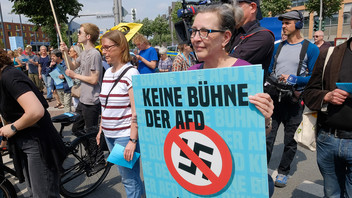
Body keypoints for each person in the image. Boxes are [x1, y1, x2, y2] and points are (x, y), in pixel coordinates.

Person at [188, 3, 274, 196]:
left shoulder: (243, 73)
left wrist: (266, 119)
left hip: (236, 177)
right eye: (193, 31)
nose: (195, 39)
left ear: (226, 37)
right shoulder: (190, 74)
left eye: (204, 32)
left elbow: (260, 134)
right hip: (199, 172)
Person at [0, 49, 66, 197]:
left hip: (37, 142)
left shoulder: (10, 76)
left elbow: (36, 110)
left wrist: (13, 127)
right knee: (34, 192)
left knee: (43, 194)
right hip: (23, 141)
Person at [266, 10, 320, 188]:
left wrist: (295, 79)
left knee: (290, 140)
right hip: (275, 99)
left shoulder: (310, 48)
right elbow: (269, 71)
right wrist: (273, 79)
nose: (283, 25)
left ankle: (283, 171)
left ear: (298, 25)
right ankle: (261, 169)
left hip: (294, 101)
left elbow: (314, 77)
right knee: (267, 137)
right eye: (283, 23)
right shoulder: (277, 47)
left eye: (287, 22)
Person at [302, 7, 352, 197]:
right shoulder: (330, 53)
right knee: (331, 193)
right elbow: (309, 93)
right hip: (328, 140)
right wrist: (327, 96)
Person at [97, 30, 144, 198]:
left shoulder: (131, 73)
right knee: (128, 176)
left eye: (107, 48)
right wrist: (101, 128)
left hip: (124, 136)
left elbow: (136, 110)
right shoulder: (108, 72)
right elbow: (105, 104)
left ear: (121, 47)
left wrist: (132, 140)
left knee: (129, 179)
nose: (104, 52)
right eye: (103, 48)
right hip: (110, 134)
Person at [60, 23, 103, 133]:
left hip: (91, 101)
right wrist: (65, 52)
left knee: (91, 133)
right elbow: (72, 66)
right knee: (76, 129)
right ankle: (90, 148)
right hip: (83, 99)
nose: (78, 34)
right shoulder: (84, 53)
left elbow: (94, 79)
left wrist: (74, 75)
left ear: (88, 36)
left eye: (80, 32)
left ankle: (94, 150)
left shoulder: (94, 54)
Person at [229, 0, 275, 78]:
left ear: (253, 7)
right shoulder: (233, 32)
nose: (231, 10)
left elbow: (229, 65)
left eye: (236, 5)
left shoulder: (262, 36)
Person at [68, 44, 83, 109]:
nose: (69, 52)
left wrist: (74, 76)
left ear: (75, 52)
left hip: (80, 87)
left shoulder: (80, 62)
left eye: (70, 51)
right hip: (75, 86)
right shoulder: (72, 61)